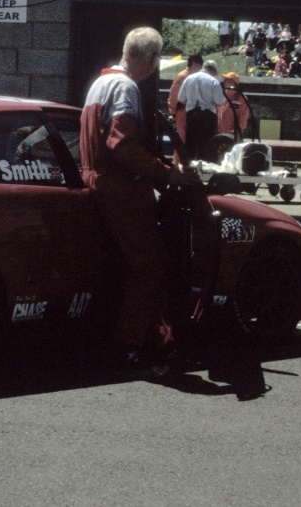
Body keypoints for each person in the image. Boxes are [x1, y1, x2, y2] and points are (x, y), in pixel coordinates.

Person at [79, 27, 201, 366]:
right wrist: (167, 173)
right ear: (150, 59)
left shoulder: (100, 83)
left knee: (123, 265)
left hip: (94, 181)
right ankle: (130, 345)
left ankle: (140, 336)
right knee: (150, 265)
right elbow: (121, 145)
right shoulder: (126, 87)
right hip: (120, 188)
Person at [178, 59, 226, 162]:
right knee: (206, 143)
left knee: (190, 142)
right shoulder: (213, 81)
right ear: (212, 70)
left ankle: (188, 167)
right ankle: (203, 165)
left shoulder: (189, 78)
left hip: (191, 114)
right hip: (208, 115)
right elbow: (220, 101)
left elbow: (181, 98)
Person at [166, 53, 203, 163]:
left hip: (191, 113)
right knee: (182, 142)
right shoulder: (182, 77)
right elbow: (173, 96)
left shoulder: (192, 77)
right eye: (200, 66)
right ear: (194, 64)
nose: (200, 69)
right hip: (183, 113)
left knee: (191, 141)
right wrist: (173, 112)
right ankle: (178, 166)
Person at [217, 72, 250, 138]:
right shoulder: (221, 96)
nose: (225, 81)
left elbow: (243, 118)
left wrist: (237, 132)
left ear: (234, 82)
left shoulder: (242, 98)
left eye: (228, 79)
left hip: (234, 136)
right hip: (219, 136)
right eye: (225, 79)